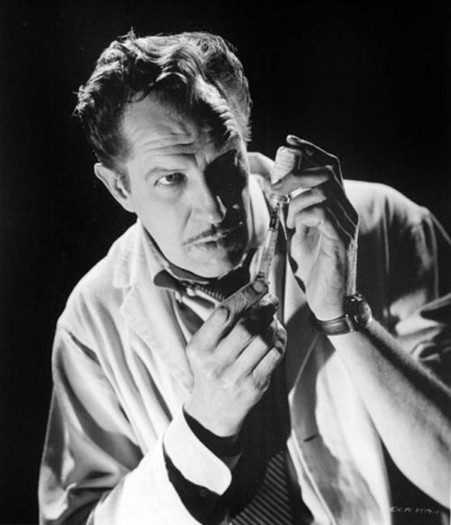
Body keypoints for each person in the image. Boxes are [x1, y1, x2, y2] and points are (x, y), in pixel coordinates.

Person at [38, 30, 451, 524]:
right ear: (119, 187)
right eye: (171, 178)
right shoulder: (90, 322)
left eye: (224, 163)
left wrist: (343, 317)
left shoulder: (389, 225)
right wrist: (202, 428)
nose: (213, 209)